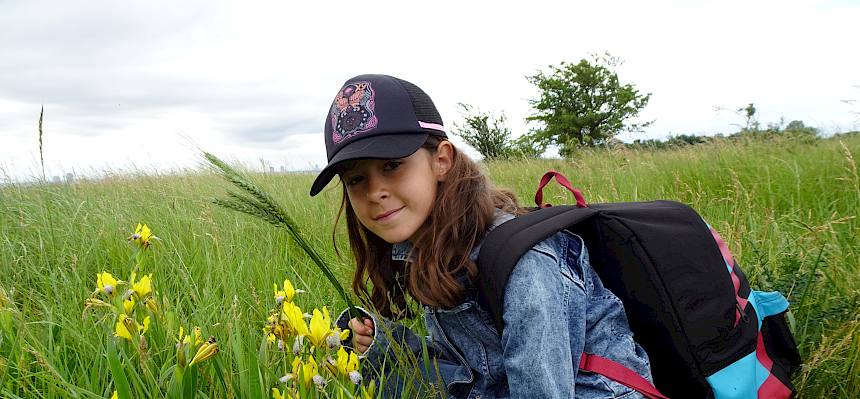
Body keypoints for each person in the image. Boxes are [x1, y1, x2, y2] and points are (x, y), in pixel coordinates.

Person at [309, 74, 653, 398]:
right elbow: (474, 363)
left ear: (441, 160)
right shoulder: (430, 246)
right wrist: (385, 346)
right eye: (356, 180)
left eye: (392, 165)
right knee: (384, 377)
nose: (374, 192)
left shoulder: (525, 265)